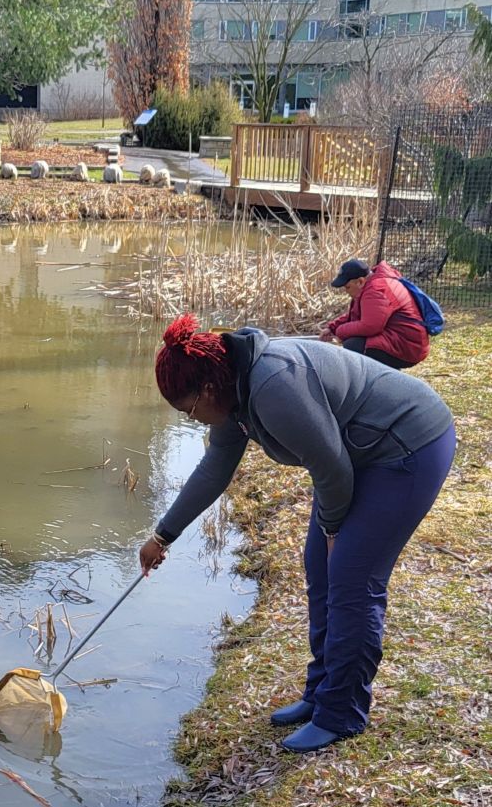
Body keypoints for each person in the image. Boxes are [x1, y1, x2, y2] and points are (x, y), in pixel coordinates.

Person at [139, 315, 455, 753]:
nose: (193, 420)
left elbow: (332, 469)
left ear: (207, 390)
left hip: (408, 447)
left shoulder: (274, 385)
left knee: (350, 576)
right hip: (362, 452)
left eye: (188, 411)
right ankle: (321, 693)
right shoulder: (235, 389)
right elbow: (215, 468)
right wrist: (163, 535)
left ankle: (341, 713)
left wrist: (332, 527)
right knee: (319, 565)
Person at [319, 258, 429, 369]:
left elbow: (370, 326)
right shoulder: (374, 284)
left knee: (353, 345)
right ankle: (385, 376)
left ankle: (384, 379)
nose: (346, 291)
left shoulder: (375, 291)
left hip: (409, 346)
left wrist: (340, 331)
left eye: (347, 287)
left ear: (360, 281)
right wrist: (332, 328)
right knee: (354, 341)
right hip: (405, 341)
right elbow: (358, 315)